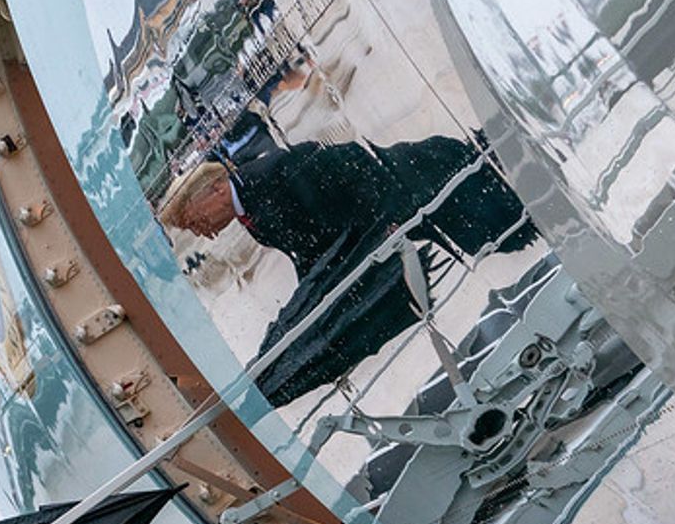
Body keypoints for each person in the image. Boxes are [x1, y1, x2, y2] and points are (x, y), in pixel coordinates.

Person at [160, 134, 537, 407]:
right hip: (409, 204)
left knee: (498, 218)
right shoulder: (251, 208)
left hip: (417, 185)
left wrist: (385, 217)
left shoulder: (270, 175)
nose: (201, 232)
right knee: (494, 225)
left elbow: (346, 164)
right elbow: (311, 254)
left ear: (214, 190)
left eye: (194, 221)